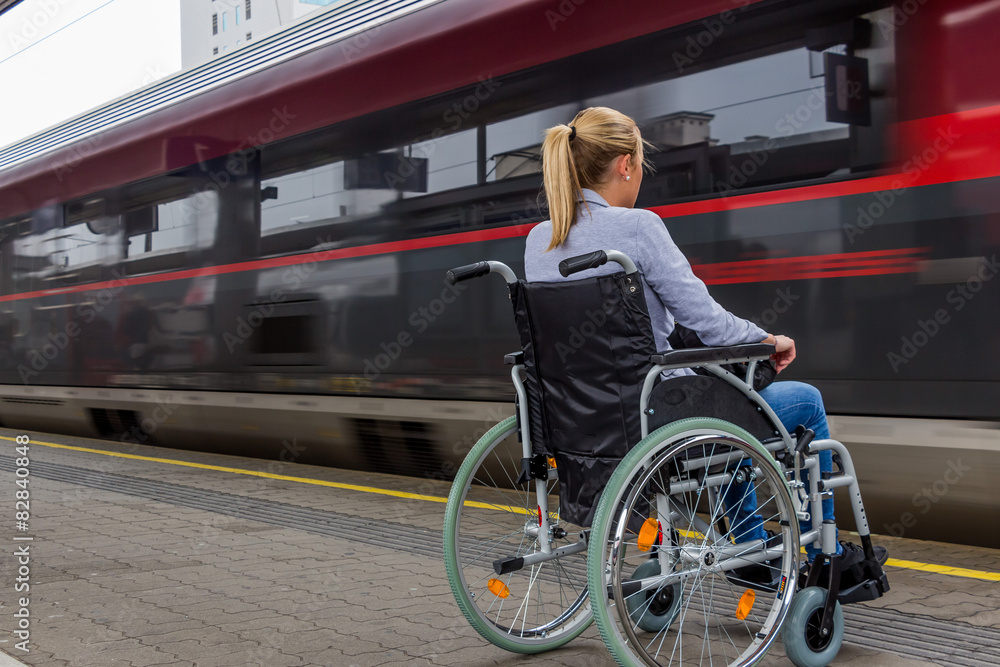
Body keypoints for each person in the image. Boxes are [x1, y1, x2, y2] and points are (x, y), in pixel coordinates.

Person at [523, 106, 886, 585]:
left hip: (579, 425)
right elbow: (706, 322)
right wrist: (766, 340)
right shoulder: (638, 227)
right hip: (655, 417)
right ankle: (828, 558)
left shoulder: (538, 240)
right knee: (801, 403)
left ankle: (751, 543)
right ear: (626, 164)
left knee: (729, 407)